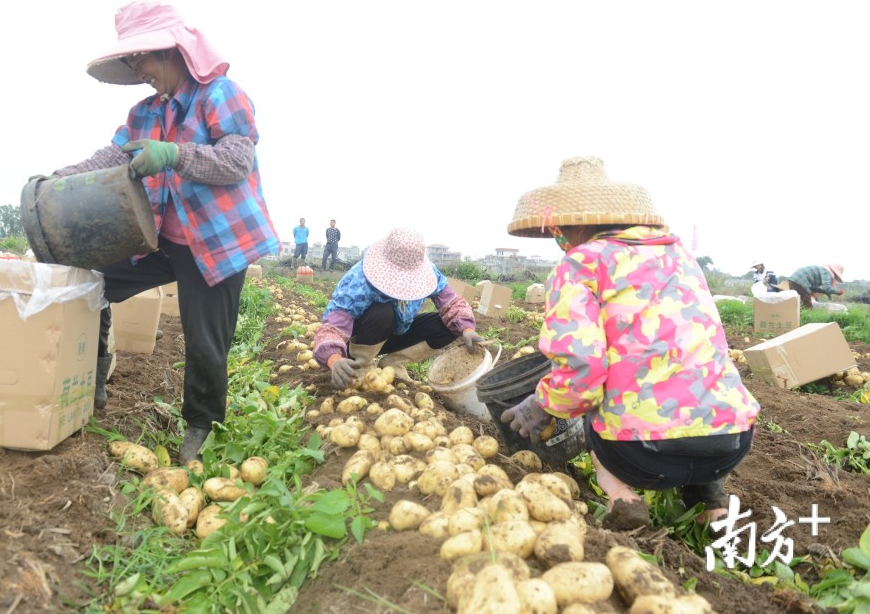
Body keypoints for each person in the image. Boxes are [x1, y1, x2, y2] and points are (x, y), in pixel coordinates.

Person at [52, 0, 280, 464]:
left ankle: (201, 425)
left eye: (144, 60)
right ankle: (92, 374)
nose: (141, 71)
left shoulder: (221, 94)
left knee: (205, 341)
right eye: (133, 63)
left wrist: (175, 154)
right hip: (158, 239)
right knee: (89, 280)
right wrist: (59, 179)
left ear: (172, 51)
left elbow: (238, 161)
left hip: (214, 242)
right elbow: (112, 156)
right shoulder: (144, 112)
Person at [500, 157, 759, 530]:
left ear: (579, 223)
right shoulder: (682, 258)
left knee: (595, 399)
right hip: (730, 442)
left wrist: (543, 404)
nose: (560, 238)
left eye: (561, 228)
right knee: (690, 383)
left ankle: (622, 496)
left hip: (641, 455)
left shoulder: (580, 264)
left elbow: (582, 368)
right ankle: (712, 505)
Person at [312, 227, 484, 387]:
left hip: (395, 333)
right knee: (382, 312)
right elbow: (333, 326)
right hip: (359, 340)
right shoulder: (358, 279)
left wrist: (467, 329)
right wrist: (334, 359)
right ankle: (361, 367)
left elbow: (451, 302)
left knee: (449, 325)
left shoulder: (430, 274)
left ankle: (393, 363)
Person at [776, 263, 845, 308]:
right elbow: (827, 287)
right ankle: (807, 326)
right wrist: (838, 292)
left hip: (794, 281)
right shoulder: (826, 272)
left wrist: (825, 292)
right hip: (801, 282)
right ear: (834, 273)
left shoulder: (820, 271)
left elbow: (813, 288)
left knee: (799, 305)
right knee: (808, 307)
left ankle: (798, 322)